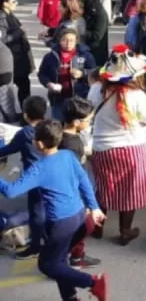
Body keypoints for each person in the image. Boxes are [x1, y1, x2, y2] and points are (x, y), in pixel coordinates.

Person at [0, 120, 107, 301]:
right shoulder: (67, 155)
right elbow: (84, 181)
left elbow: (10, 191)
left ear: (39, 144)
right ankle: (71, 298)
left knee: (47, 265)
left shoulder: (39, 169)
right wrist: (94, 207)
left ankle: (94, 283)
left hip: (61, 223)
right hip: (80, 215)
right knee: (59, 261)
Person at [91, 45, 146, 243]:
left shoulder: (96, 90)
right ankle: (125, 231)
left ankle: (97, 227)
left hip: (102, 148)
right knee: (129, 190)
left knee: (102, 189)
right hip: (130, 148)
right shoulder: (136, 96)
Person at [0, 96, 48, 259]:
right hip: (50, 173)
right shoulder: (50, 127)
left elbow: (7, 150)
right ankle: (46, 239)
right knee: (47, 207)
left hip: (33, 178)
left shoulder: (25, 133)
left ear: (26, 115)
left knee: (37, 211)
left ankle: (36, 246)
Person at [38, 28, 96, 121]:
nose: (68, 43)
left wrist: (82, 74)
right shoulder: (50, 56)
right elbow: (42, 74)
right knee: (58, 124)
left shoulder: (86, 55)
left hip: (79, 98)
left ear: (76, 41)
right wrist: (48, 83)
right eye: (65, 40)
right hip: (58, 98)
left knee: (78, 125)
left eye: (71, 40)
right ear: (60, 40)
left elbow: (94, 73)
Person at [0, 0, 34, 104]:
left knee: (24, 85)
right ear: (5, 3)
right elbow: (2, 39)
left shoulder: (9, 14)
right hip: (13, 59)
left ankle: (25, 112)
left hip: (19, 57)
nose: (17, 3)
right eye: (13, 1)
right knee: (20, 86)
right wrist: (18, 33)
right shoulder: (2, 19)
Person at [78, 0, 110, 66]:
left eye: (81, 0)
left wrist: (81, 31)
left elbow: (97, 35)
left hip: (96, 51)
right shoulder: (87, 11)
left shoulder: (100, 14)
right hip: (86, 48)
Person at [60, 97, 94, 166]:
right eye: (88, 120)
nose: (90, 123)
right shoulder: (70, 145)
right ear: (76, 122)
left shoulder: (61, 133)